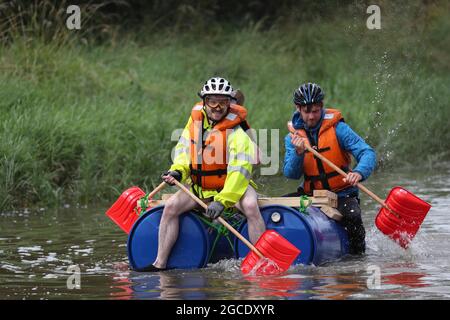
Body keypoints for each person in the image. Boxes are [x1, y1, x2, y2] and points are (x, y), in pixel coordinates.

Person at [137, 77, 266, 272]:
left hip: (231, 188)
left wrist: (222, 201)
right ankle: (160, 263)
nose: (217, 107)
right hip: (200, 187)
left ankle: (261, 262)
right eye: (212, 101)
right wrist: (178, 172)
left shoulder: (238, 134)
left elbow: (239, 173)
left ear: (229, 104)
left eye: (222, 102)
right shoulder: (195, 122)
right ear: (204, 102)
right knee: (171, 207)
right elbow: (183, 151)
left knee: (250, 205)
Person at [283, 83, 376, 255]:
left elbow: (367, 152)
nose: (311, 117)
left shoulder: (339, 129)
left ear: (322, 106)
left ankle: (358, 262)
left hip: (342, 193)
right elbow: (291, 174)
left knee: (353, 216)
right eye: (306, 111)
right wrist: (298, 153)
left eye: (316, 111)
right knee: (278, 207)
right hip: (310, 194)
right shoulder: (292, 137)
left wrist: (358, 172)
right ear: (298, 108)